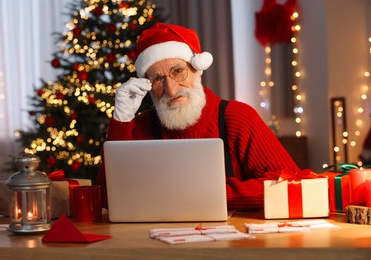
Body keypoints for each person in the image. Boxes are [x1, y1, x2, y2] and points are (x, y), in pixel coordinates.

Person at [97, 23, 300, 210]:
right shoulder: (138, 127)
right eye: (157, 78)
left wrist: (212, 194)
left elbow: (290, 183)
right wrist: (121, 120)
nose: (171, 89)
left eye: (178, 71)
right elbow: (107, 200)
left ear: (197, 71)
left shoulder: (237, 117)